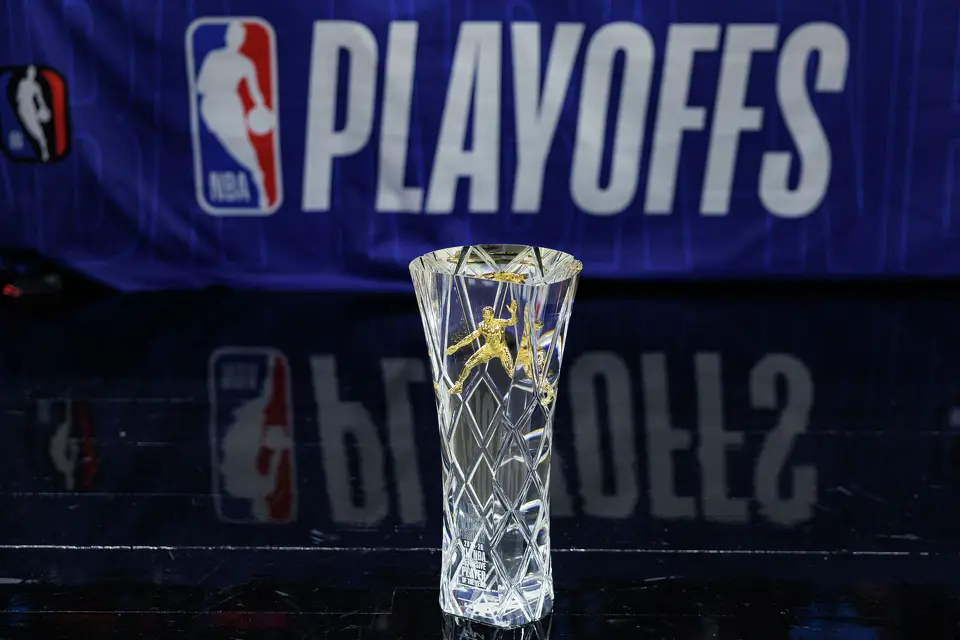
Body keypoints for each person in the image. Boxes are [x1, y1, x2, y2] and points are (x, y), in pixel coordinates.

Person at [196, 21, 272, 208]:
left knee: (240, 146)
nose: (235, 39)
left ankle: (260, 184)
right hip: (213, 106)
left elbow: (256, 93)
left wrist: (262, 110)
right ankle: (257, 180)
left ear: (242, 40)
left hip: (229, 107)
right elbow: (200, 86)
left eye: (239, 36)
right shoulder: (214, 57)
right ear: (227, 37)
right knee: (225, 146)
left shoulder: (245, 63)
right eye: (233, 35)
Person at [446, 300, 518, 395]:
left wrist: (513, 313)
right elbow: (471, 337)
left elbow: (512, 321)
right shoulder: (482, 325)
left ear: (492, 315)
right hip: (488, 349)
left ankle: (526, 382)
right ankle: (458, 386)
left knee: (511, 373)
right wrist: (456, 346)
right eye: (484, 314)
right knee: (468, 365)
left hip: (501, 350)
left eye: (487, 314)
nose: (485, 316)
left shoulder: (499, 322)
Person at [16, 66, 50, 162]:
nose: (31, 74)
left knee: (38, 132)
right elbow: (18, 98)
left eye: (33, 72)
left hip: (31, 109)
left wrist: (43, 110)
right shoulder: (22, 83)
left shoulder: (36, 86)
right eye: (30, 72)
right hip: (23, 109)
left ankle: (44, 151)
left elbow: (40, 100)